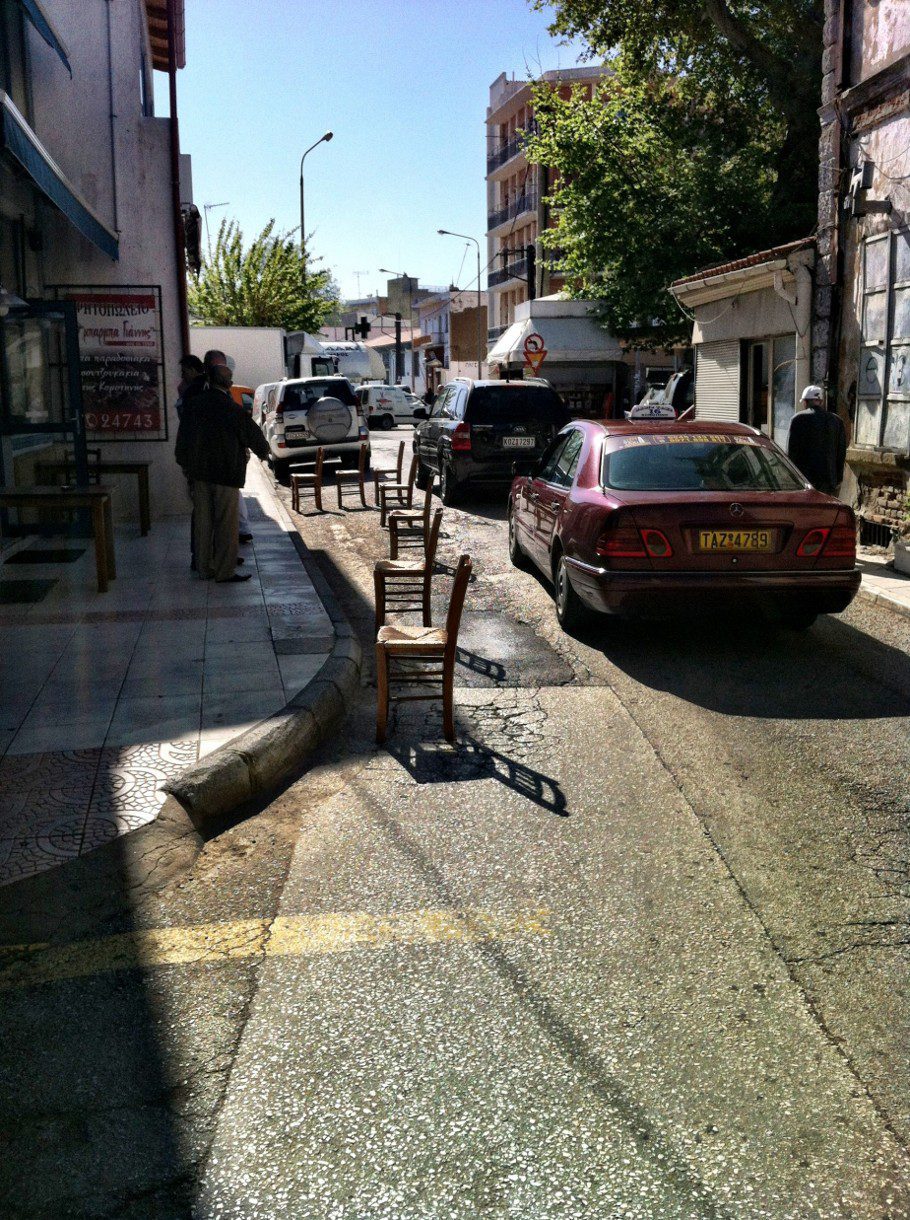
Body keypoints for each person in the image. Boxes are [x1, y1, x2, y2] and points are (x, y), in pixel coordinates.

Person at [175, 364, 270, 583]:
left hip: (199, 472)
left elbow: (183, 437)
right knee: (226, 524)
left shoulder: (194, 405)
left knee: (203, 522)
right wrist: (264, 452)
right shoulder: (231, 407)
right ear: (228, 383)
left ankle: (204, 568)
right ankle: (225, 570)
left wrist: (184, 463)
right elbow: (251, 433)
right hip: (226, 473)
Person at [787, 384, 847, 496]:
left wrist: (792, 478)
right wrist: (838, 479)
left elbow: (791, 452)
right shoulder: (836, 420)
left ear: (805, 402)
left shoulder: (798, 419)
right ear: (821, 401)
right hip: (829, 479)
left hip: (804, 479)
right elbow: (841, 453)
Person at [175, 354, 205, 421]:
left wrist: (182, 397)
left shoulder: (193, 389)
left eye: (184, 372)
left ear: (192, 370)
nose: (182, 376)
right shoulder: (209, 384)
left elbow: (185, 418)